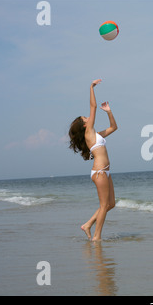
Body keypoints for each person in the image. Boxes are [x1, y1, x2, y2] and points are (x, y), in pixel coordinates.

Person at [68, 79, 118, 241]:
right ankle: (96, 237)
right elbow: (93, 107)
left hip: (106, 171)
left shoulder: (96, 135)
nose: (89, 118)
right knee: (104, 206)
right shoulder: (89, 132)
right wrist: (91, 88)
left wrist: (109, 111)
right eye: (85, 118)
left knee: (111, 204)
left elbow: (113, 128)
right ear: (84, 126)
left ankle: (88, 224)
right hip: (100, 171)